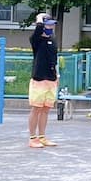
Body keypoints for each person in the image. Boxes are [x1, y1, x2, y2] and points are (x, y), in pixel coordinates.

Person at [28, 12, 59, 149]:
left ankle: (42, 136)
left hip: (51, 79)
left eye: (52, 25)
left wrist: (57, 75)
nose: (50, 28)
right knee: (36, 108)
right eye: (48, 25)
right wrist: (39, 19)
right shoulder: (36, 40)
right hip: (39, 79)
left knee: (46, 109)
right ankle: (32, 138)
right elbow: (38, 31)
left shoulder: (53, 40)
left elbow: (54, 59)